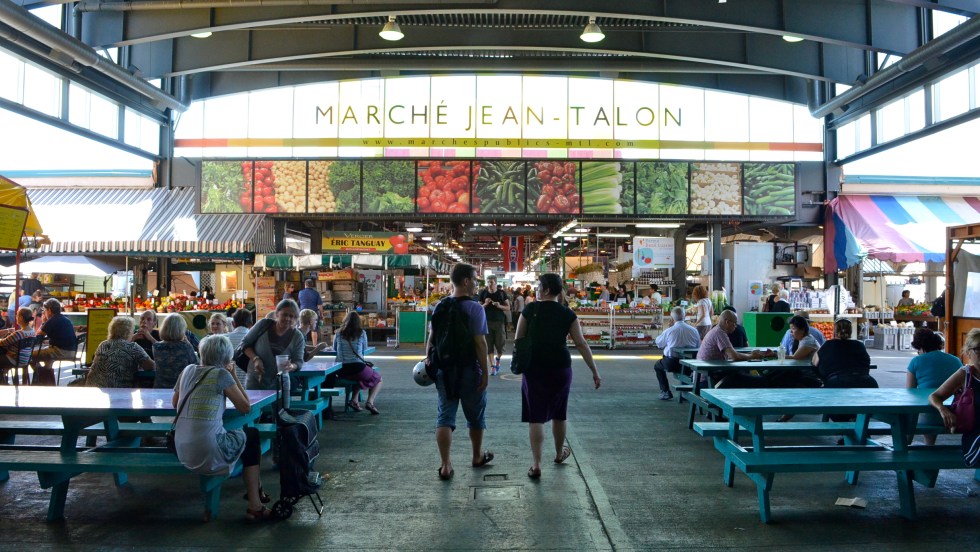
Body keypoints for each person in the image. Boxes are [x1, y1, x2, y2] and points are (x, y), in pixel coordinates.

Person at [172, 334, 272, 522]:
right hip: (208, 453)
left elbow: (175, 402)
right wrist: (233, 375)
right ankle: (255, 505)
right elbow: (245, 407)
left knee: (243, 437)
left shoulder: (188, 370)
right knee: (252, 436)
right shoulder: (221, 374)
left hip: (182, 449)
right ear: (227, 358)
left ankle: (258, 492)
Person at [516, 272, 601, 479]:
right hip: (560, 368)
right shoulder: (567, 314)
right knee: (559, 413)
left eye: (539, 286)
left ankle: (536, 464)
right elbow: (581, 343)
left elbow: (519, 339)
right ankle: (558, 454)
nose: (536, 290)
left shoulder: (530, 310)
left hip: (534, 367)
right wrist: (594, 371)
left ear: (546, 290)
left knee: (536, 417)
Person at [426, 262, 493, 481]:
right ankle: (477, 456)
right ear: (465, 281)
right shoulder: (475, 308)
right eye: (474, 279)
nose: (476, 284)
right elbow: (480, 343)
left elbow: (432, 339)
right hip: (469, 370)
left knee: (445, 417)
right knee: (475, 417)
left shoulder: (440, 306)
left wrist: (429, 362)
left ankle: (445, 465)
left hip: (445, 371)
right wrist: (485, 372)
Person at [929, 329, 980, 467]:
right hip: (975, 437)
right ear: (968, 352)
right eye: (978, 349)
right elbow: (935, 396)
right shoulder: (965, 374)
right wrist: (943, 409)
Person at [907, 328, 962, 445]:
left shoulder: (916, 361)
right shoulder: (956, 360)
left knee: (911, 412)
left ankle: (908, 444)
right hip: (956, 413)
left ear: (920, 347)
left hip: (929, 416)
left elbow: (909, 391)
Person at [241, 299, 305, 391]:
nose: (287, 318)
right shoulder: (264, 325)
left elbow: (298, 361)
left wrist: (291, 366)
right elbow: (245, 343)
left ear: (296, 319)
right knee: (253, 400)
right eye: (285, 314)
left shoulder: (298, 337)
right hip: (255, 379)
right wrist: (255, 359)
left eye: (292, 316)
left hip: (280, 383)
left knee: (281, 401)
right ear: (277, 314)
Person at [332, 311, 382, 414]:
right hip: (358, 368)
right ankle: (370, 402)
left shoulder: (338, 333)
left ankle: (354, 400)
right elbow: (364, 348)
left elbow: (334, 348)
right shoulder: (362, 333)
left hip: (341, 369)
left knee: (360, 377)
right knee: (378, 378)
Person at [85, 316, 155, 388]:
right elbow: (150, 366)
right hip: (118, 391)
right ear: (129, 332)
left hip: (93, 389)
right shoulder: (132, 347)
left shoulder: (103, 344)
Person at [813, 318, 877, 389]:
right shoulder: (860, 345)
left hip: (837, 384)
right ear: (851, 331)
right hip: (867, 382)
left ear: (834, 331)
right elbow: (867, 363)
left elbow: (814, 362)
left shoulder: (827, 345)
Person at [654, 306, 700, 400]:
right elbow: (698, 346)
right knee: (685, 371)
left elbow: (659, 343)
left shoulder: (669, 330)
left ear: (672, 318)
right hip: (689, 363)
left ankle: (665, 391)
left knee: (657, 366)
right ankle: (686, 392)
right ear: (685, 316)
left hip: (672, 363)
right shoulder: (694, 330)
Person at [32, 299, 78, 386]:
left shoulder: (52, 320)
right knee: (47, 361)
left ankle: (41, 376)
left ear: (49, 310)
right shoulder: (64, 318)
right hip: (71, 351)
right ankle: (47, 380)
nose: (44, 313)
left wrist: (43, 322)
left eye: (45, 310)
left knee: (30, 356)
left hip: (60, 352)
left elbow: (38, 335)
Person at [696, 310, 764, 362]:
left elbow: (732, 354)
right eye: (735, 323)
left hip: (709, 369)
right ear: (727, 322)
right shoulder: (719, 333)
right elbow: (734, 356)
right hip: (711, 374)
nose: (735, 326)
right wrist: (752, 356)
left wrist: (750, 354)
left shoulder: (717, 330)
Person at [152, 314, 198, 390]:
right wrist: (189, 344)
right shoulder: (186, 347)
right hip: (180, 389)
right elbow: (195, 366)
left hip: (160, 388)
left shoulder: (156, 347)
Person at [477, 275, 509, 376]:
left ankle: (498, 359)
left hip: (499, 322)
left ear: (495, 282)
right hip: (486, 322)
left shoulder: (501, 293)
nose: (489, 284)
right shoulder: (483, 293)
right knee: (488, 346)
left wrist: (499, 306)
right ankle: (492, 366)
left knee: (500, 345)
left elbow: (508, 307)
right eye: (488, 282)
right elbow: (478, 308)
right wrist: (485, 304)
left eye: (491, 282)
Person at [0, 308, 36, 384]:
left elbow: (3, 343)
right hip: (26, 360)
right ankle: (4, 380)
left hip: (14, 360)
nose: (16, 317)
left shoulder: (19, 333)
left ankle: (3, 382)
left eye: (17, 315)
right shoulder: (33, 332)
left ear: (21, 318)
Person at [297, 278, 323, 345]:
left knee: (302, 330)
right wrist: (321, 314)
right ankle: (314, 346)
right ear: (312, 285)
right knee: (314, 330)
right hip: (313, 313)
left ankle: (302, 345)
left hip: (303, 313)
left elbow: (299, 303)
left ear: (305, 284)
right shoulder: (316, 293)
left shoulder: (300, 292)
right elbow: (320, 306)